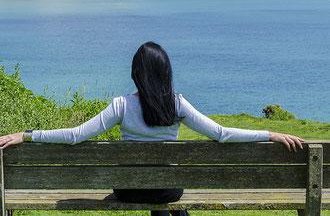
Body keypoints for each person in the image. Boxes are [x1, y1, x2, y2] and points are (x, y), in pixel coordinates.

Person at [0, 41, 304, 216]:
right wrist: (270, 133)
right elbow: (221, 134)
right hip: (167, 189)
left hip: (127, 188)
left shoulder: (121, 106)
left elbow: (76, 135)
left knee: (150, 187)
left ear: (136, 73)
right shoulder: (178, 104)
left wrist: (26, 135)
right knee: (164, 194)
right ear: (166, 72)